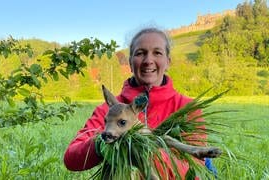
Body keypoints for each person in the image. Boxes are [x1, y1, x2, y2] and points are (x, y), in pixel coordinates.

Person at [63, 27, 216, 179]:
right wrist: (100, 144)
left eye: (157, 53)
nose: (148, 61)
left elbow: (194, 164)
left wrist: (141, 150)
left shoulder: (186, 107)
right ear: (130, 63)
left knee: (208, 164)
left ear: (168, 62)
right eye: (140, 53)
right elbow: (71, 158)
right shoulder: (110, 110)